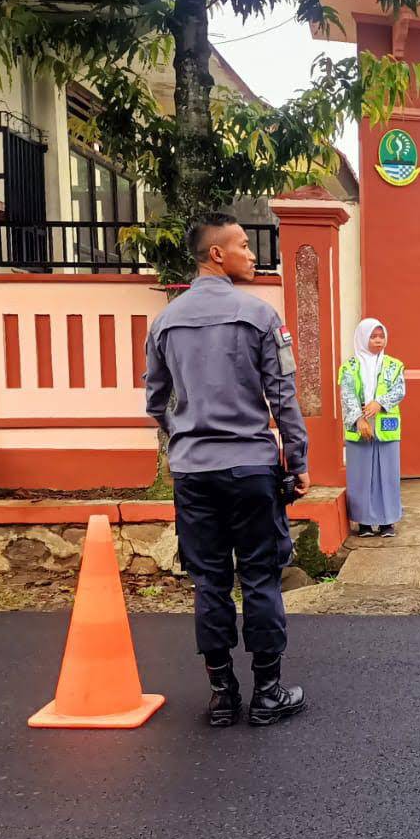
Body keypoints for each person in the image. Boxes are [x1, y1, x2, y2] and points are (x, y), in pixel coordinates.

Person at [144, 212, 309, 729]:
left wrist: (185, 438)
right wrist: (298, 461)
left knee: (210, 582)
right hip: (251, 469)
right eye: (243, 244)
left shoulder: (165, 321)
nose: (253, 253)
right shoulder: (259, 316)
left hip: (194, 474)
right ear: (216, 254)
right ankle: (268, 693)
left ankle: (221, 695)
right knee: (260, 577)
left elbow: (155, 399)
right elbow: (283, 397)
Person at [339, 318, 405, 538]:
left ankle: (387, 522)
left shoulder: (394, 365)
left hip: (386, 427)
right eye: (373, 336)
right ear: (362, 338)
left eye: (381, 336)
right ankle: (365, 523)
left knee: (387, 475)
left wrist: (380, 402)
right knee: (361, 476)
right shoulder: (349, 367)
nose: (378, 340)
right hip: (360, 428)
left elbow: (400, 390)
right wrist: (359, 420)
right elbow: (347, 396)